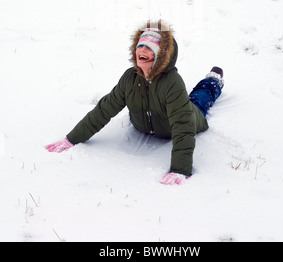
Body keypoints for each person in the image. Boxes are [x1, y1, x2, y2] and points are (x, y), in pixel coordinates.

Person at [45, 20, 224, 185]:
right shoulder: (130, 78)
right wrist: (71, 139)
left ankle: (213, 81)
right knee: (182, 100)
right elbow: (103, 110)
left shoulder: (173, 83)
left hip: (184, 120)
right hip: (148, 123)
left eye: (150, 48)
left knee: (198, 99)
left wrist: (180, 169)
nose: (142, 51)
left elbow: (183, 126)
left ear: (162, 56)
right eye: (141, 45)